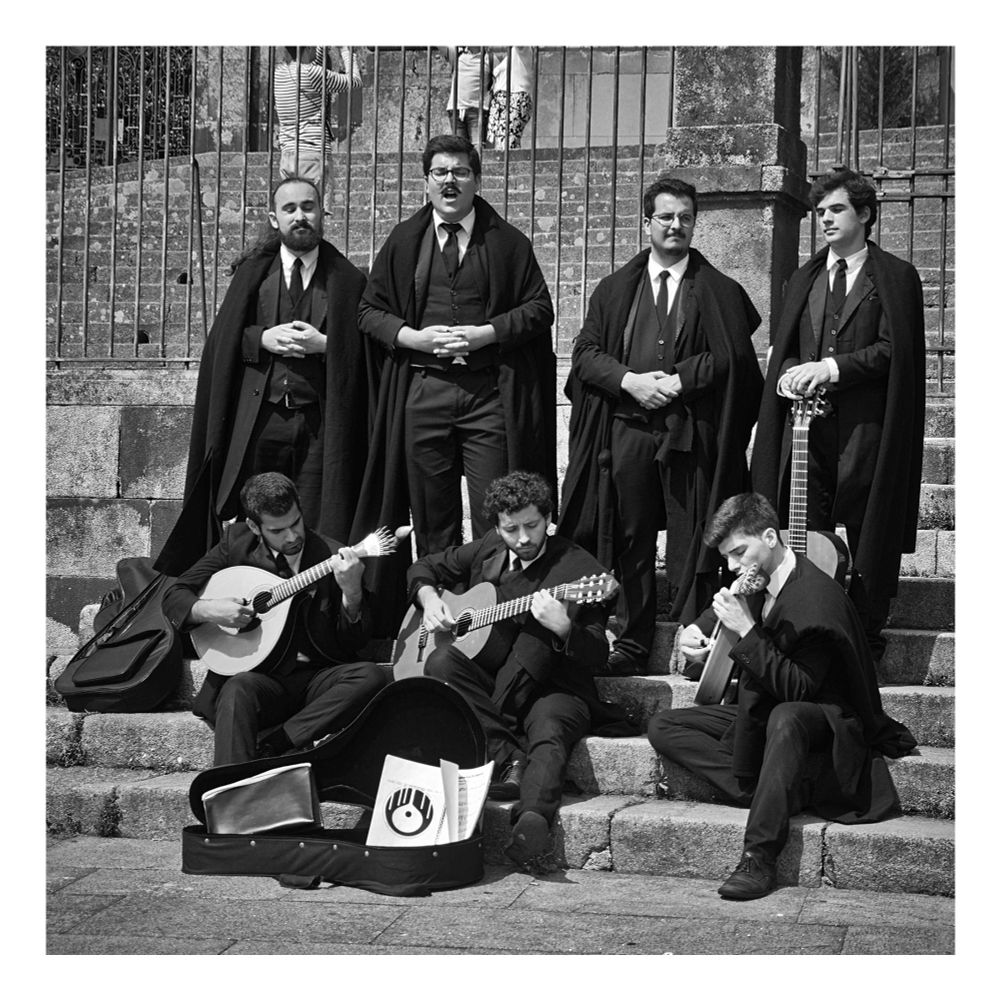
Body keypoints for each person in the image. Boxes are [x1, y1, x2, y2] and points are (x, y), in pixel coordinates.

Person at [647, 493, 916, 900]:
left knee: (786, 717)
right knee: (664, 725)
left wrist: (748, 632)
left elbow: (800, 688)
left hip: (825, 718)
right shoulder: (755, 577)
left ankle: (759, 856)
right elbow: (724, 606)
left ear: (770, 536)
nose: (734, 565)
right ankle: (782, 789)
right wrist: (697, 633)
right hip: (763, 704)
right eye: (728, 557)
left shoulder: (817, 598)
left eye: (740, 551)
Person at [559, 177, 763, 675]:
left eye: (686, 218)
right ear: (646, 221)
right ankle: (631, 640)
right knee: (629, 535)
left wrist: (676, 381)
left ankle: (697, 641)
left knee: (696, 534)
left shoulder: (720, 290)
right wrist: (630, 380)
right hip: (626, 429)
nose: (676, 225)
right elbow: (585, 355)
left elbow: (733, 357)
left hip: (689, 431)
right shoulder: (613, 290)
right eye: (666, 216)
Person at [354, 133, 556, 589]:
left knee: (497, 513)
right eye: (440, 172)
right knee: (432, 519)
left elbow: (540, 309)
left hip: (488, 397)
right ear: (426, 181)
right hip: (424, 392)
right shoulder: (404, 240)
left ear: (476, 181)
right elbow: (368, 311)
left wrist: (486, 333)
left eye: (460, 172)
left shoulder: (508, 243)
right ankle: (440, 613)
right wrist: (414, 339)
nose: (450, 181)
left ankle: (495, 612)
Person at [407, 471, 633, 866]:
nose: (523, 538)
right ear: (497, 526)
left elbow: (598, 653)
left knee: (549, 729)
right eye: (511, 529)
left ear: (548, 518)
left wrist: (564, 626)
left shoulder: (578, 568)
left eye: (532, 525)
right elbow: (424, 566)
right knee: (441, 660)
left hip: (556, 684)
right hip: (495, 682)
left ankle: (531, 821)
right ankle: (509, 753)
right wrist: (429, 598)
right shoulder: (489, 548)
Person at [155, 176, 372, 577]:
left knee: (317, 520)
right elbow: (224, 342)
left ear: (323, 213)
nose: (300, 216)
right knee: (254, 519)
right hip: (262, 421)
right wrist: (264, 337)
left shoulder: (348, 279)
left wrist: (327, 344)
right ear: (274, 218)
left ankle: (312, 613)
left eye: (308, 207)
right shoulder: (253, 273)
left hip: (320, 425)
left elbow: (369, 348)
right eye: (289, 209)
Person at [751, 168, 925, 662]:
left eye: (837, 209)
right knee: (805, 526)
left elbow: (895, 351)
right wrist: (787, 374)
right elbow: (787, 346)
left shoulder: (894, 276)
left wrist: (829, 368)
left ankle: (866, 640)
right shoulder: (803, 276)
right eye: (820, 211)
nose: (825, 218)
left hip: (868, 429)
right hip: (807, 430)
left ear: (864, 214)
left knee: (868, 531)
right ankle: (807, 628)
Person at [162, 473, 387, 766]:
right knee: (237, 688)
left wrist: (352, 593)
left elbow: (353, 641)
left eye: (296, 523)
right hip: (260, 679)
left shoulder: (331, 554)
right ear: (255, 526)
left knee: (371, 676)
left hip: (315, 679)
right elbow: (173, 595)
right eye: (278, 530)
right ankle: (230, 792)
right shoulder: (236, 544)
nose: (292, 536)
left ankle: (277, 744)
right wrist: (209, 610)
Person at [273, 46, 362, 202]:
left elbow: (313, 63)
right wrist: (346, 51)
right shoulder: (312, 74)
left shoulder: (280, 72)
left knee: (294, 208)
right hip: (312, 155)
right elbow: (354, 81)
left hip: (288, 155)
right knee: (315, 211)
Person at [442, 47, 492, 146]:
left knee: (478, 148)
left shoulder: (489, 58)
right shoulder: (457, 54)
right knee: (460, 149)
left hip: (477, 110)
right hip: (456, 110)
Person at [487, 46, 534, 150]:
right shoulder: (498, 57)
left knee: (508, 142)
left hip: (515, 98)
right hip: (500, 102)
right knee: (498, 142)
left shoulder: (521, 50)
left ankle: (511, 165)